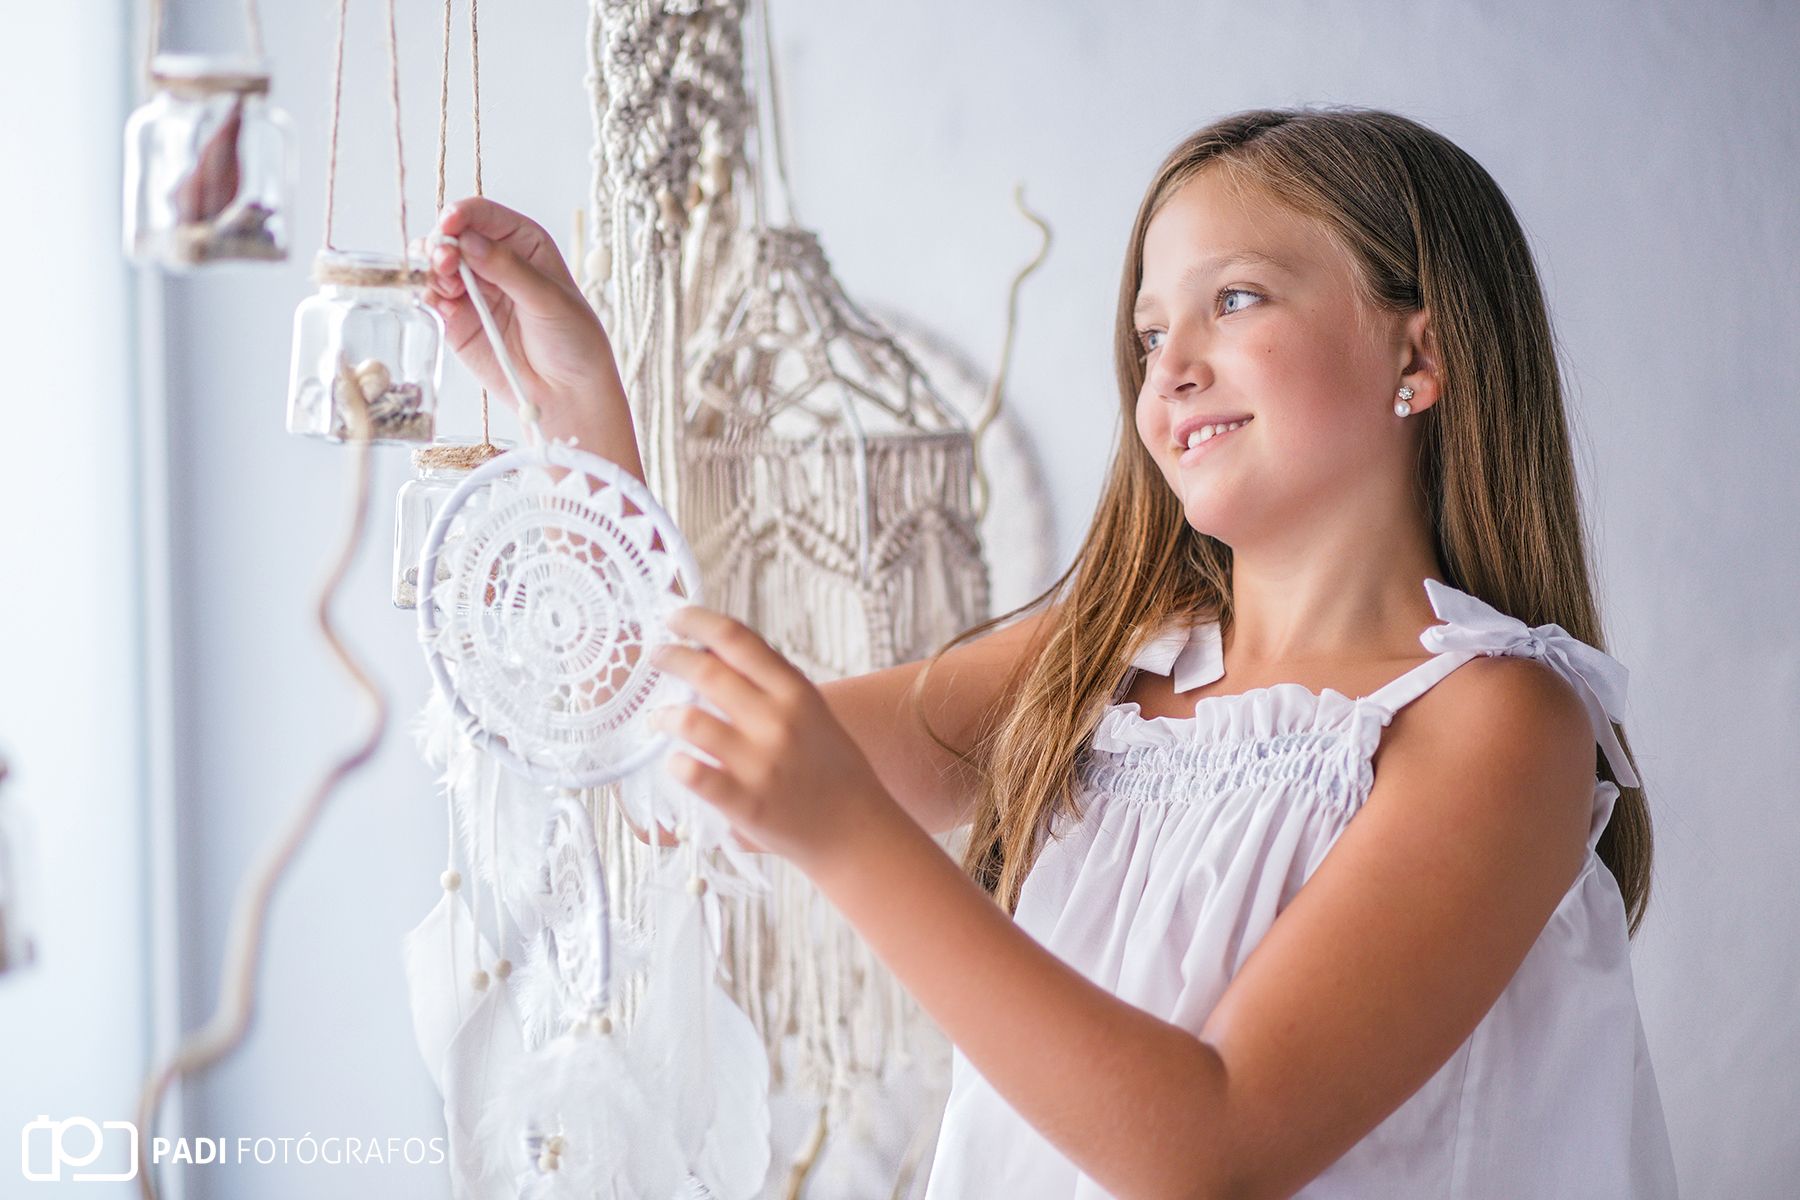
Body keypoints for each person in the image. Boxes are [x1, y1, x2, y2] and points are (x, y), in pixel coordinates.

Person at [423, 107, 1676, 1199]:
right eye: (1148, 334)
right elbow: (670, 755)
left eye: (1236, 299)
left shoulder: (1500, 723)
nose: (1171, 368)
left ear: (1420, 353)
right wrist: (577, 420)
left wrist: (847, 831)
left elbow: (1212, 1151)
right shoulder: (1102, 668)